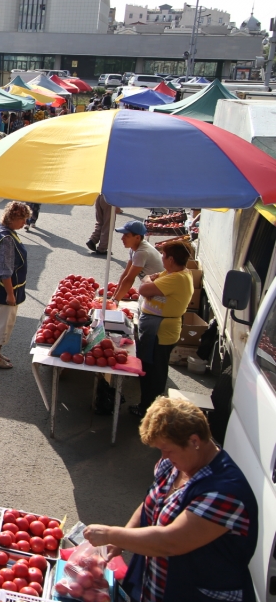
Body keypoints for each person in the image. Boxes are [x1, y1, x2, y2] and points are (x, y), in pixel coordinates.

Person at [84, 397, 258, 602]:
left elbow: (170, 542)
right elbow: (151, 502)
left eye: (167, 449)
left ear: (194, 441)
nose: (164, 456)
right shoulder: (174, 466)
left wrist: (111, 534)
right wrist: (125, 536)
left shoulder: (224, 493)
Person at [131, 241, 194, 418]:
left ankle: (148, 410)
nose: (162, 259)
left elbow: (144, 288)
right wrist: (151, 280)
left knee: (153, 372)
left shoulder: (176, 278)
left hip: (160, 331)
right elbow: (152, 281)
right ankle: (149, 407)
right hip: (157, 328)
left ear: (171, 259)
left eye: (164, 256)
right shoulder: (175, 273)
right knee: (153, 369)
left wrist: (148, 279)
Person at [0, 201, 31, 369]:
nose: (24, 224)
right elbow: (6, 270)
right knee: (4, 324)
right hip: (7, 288)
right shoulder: (7, 239)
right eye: (23, 220)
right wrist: (11, 294)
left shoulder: (0, 229)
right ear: (14, 218)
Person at [112, 221, 165, 302]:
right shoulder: (134, 248)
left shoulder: (142, 252)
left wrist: (115, 300)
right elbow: (126, 273)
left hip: (161, 294)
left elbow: (129, 279)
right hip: (152, 288)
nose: (122, 238)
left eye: (126, 235)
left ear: (137, 237)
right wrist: (114, 297)